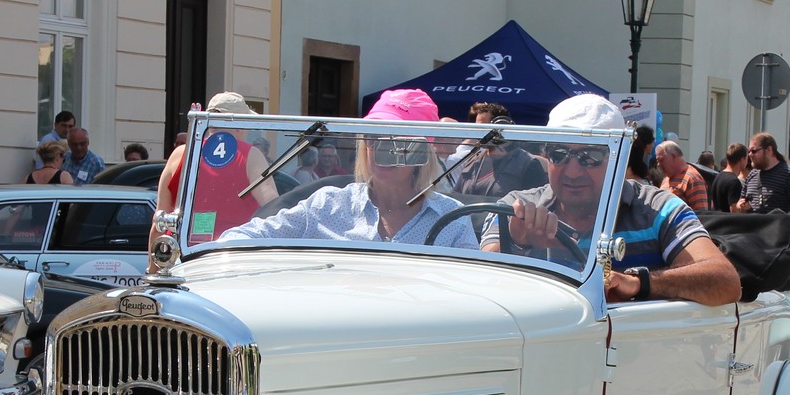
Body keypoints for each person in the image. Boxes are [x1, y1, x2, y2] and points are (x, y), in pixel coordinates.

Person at [490, 95, 739, 307]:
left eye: (591, 155)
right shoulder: (516, 207)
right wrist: (517, 243)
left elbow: (725, 281)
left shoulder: (659, 209)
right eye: (559, 153)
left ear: (619, 158)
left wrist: (638, 283)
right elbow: (479, 285)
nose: (573, 171)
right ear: (545, 154)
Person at [218, 89, 475, 249]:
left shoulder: (452, 220)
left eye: (397, 140)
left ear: (421, 151)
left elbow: (470, 293)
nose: (379, 148)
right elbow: (251, 234)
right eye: (373, 136)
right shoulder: (327, 205)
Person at [155, 92, 278, 242]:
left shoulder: (181, 154)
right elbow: (273, 208)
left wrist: (153, 265)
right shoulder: (251, 156)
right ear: (241, 126)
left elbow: (159, 221)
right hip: (230, 252)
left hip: (183, 252)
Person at [736, 132, 790, 219]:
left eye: (754, 151)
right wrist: (741, 206)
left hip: (778, 231)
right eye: (749, 152)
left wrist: (785, 221)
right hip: (753, 230)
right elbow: (741, 201)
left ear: (769, 150)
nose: (750, 155)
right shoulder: (752, 174)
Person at [655, 140, 709, 210]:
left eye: (661, 160)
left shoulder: (692, 178)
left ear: (674, 156)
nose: (658, 165)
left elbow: (701, 214)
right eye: (657, 161)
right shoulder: (666, 178)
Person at [709, 143, 748, 212]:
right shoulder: (734, 182)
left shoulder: (718, 177)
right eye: (746, 158)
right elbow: (733, 211)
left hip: (716, 220)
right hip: (727, 222)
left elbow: (712, 205)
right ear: (742, 160)